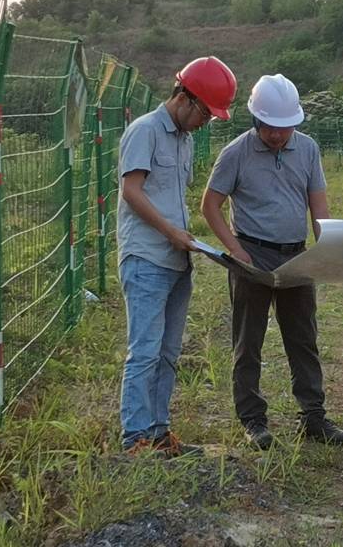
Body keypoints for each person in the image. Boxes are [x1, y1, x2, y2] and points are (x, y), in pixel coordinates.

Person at [201, 73, 343, 450]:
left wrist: (325, 249)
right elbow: (210, 206)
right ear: (256, 119)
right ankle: (253, 420)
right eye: (270, 128)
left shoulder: (308, 149)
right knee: (248, 340)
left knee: (303, 338)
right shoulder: (236, 152)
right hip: (252, 256)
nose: (278, 135)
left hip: (296, 255)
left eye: (285, 128)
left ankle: (313, 416)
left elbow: (318, 206)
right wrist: (235, 250)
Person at [117, 56, 237, 457]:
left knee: (168, 352)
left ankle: (159, 432)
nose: (206, 121)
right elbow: (132, 192)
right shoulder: (145, 131)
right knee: (145, 351)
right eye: (205, 112)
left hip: (176, 261)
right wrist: (170, 233)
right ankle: (135, 439)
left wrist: (185, 241)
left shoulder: (184, 140)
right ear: (185, 98)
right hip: (147, 257)